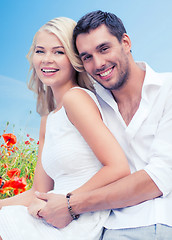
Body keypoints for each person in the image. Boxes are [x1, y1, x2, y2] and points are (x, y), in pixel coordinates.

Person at [34, 10, 172, 240]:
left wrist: (71, 204)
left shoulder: (168, 90)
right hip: (105, 227)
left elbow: (160, 177)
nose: (98, 63)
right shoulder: (90, 101)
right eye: (86, 56)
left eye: (104, 48)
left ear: (125, 42)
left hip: (161, 220)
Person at [0, 16, 130, 240]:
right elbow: (39, 192)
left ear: (73, 58)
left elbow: (118, 167)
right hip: (52, 212)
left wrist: (67, 202)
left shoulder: (76, 99)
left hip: (78, 218)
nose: (47, 60)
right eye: (40, 51)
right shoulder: (48, 118)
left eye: (58, 52)